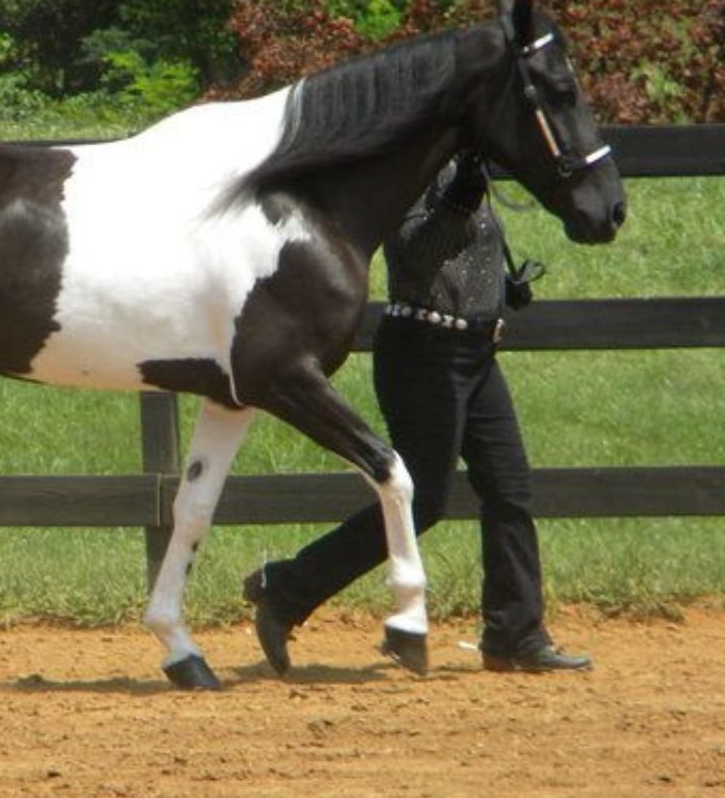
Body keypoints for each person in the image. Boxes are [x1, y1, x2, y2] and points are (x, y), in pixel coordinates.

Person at [243, 151, 591, 675]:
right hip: (423, 352)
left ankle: (514, 633)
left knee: (510, 487)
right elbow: (417, 251)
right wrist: (461, 196)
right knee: (422, 500)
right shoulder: (410, 166)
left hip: (477, 353)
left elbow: (471, 250)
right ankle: (287, 588)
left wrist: (499, 282)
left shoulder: (465, 161)